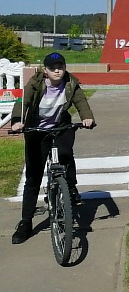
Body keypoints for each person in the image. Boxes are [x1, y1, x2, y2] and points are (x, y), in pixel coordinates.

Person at [10, 52, 95, 245]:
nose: (57, 70)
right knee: (34, 175)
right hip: (36, 129)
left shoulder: (70, 82)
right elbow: (24, 101)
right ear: (45, 70)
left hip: (59, 126)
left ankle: (70, 188)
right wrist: (17, 121)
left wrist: (87, 118)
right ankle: (25, 222)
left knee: (65, 153)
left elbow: (81, 101)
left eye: (61, 66)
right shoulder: (36, 82)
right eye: (52, 67)